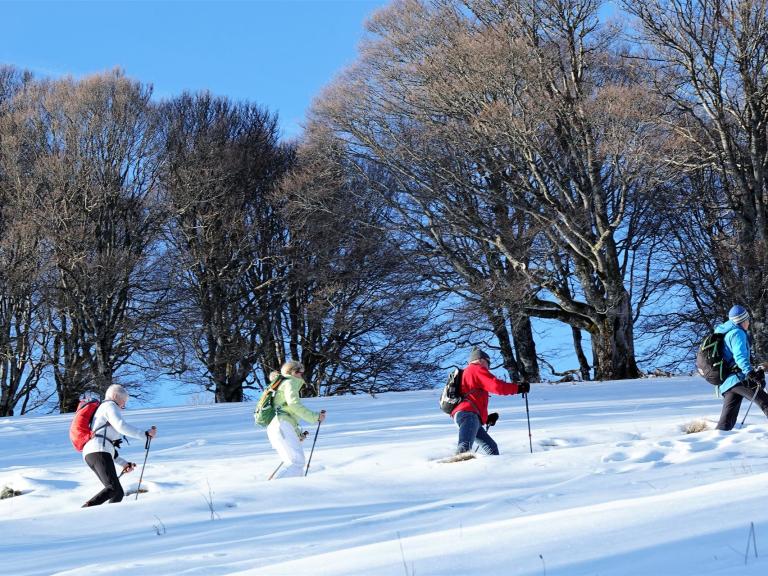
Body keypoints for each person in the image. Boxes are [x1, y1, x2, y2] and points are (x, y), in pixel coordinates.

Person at [81, 384, 157, 507]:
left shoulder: (103, 410)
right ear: (116, 396)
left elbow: (108, 447)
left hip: (94, 452)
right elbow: (120, 426)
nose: (123, 406)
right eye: (123, 402)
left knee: (117, 493)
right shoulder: (110, 405)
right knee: (113, 488)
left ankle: (109, 519)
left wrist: (124, 463)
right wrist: (145, 435)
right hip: (98, 450)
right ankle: (84, 512)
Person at [452, 347, 529, 455]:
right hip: (468, 415)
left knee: (491, 447)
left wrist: (485, 419)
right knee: (464, 448)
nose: (488, 368)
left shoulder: (467, 373)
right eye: (488, 364)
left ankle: (494, 470)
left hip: (467, 416)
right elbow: (497, 386)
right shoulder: (476, 369)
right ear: (482, 360)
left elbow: (473, 398)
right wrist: (519, 388)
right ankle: (453, 469)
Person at [267, 360, 326, 479]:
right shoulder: (290, 382)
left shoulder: (282, 384)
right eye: (300, 372)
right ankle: (275, 491)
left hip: (277, 426)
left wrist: (297, 434)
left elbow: (287, 413)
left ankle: (288, 493)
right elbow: (293, 405)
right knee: (296, 462)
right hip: (282, 425)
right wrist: (315, 417)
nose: (301, 376)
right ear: (293, 372)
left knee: (293, 462)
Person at [714, 305, 768, 430]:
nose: (749, 322)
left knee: (726, 423)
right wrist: (751, 374)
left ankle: (717, 442)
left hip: (727, 383)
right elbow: (740, 357)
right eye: (747, 319)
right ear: (742, 321)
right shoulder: (737, 333)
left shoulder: (726, 333)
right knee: (766, 402)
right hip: (739, 379)